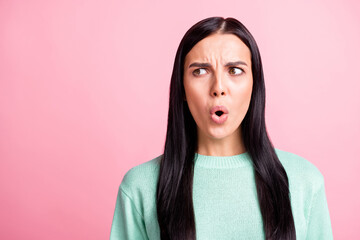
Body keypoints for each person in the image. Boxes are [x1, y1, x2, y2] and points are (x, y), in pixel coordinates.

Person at [109, 16, 333, 240]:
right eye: (200, 71)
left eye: (235, 70)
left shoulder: (305, 182)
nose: (218, 88)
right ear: (182, 88)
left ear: (254, 86)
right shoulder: (140, 187)